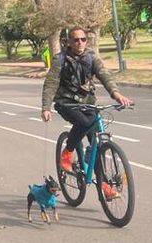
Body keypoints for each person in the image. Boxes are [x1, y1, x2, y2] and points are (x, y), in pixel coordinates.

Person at [41, 26, 133, 197]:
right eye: (76, 40)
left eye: (83, 39)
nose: (80, 43)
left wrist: (116, 94)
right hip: (66, 103)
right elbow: (51, 84)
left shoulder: (91, 57)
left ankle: (104, 186)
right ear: (69, 42)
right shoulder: (60, 59)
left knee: (97, 145)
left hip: (87, 103)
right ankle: (67, 152)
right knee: (84, 122)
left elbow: (105, 75)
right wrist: (46, 107)